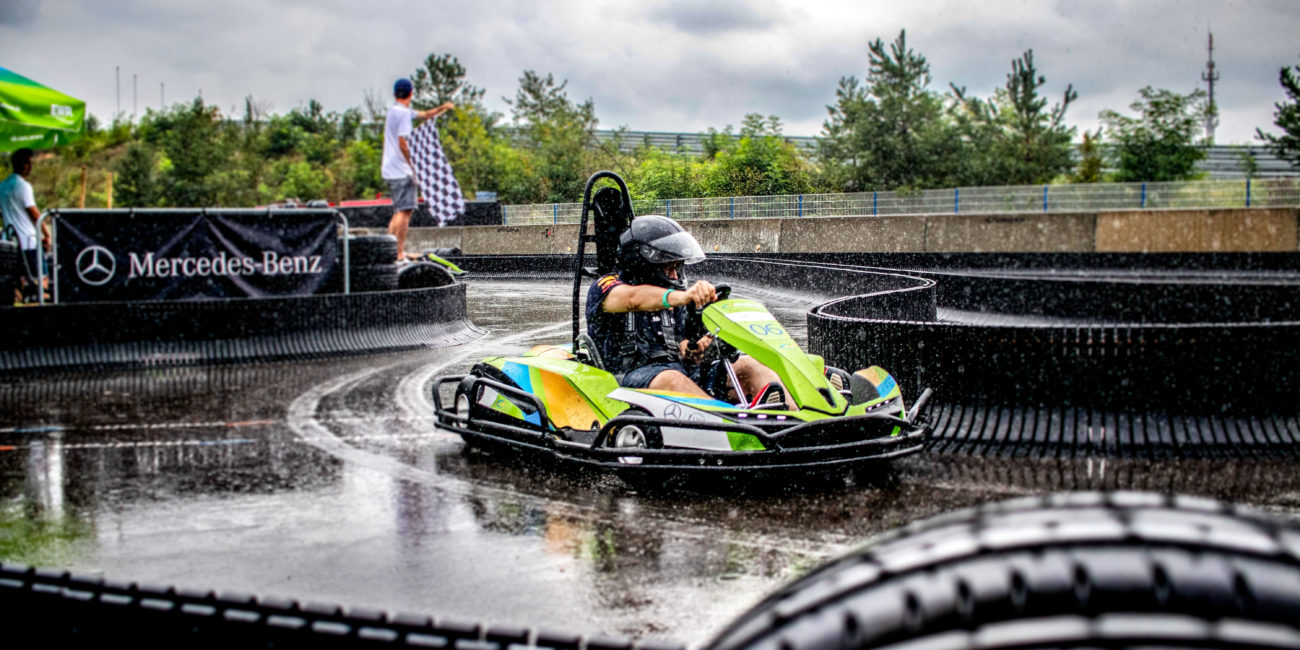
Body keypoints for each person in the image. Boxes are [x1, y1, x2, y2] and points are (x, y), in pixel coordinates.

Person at [585, 215, 791, 406]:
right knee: (671, 379)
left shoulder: (673, 297)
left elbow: (682, 345)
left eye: (677, 267)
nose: (674, 275)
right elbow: (633, 299)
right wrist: (683, 297)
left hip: (679, 372)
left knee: (749, 365)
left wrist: (697, 348)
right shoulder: (605, 287)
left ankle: (796, 420)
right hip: (625, 379)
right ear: (644, 263)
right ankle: (729, 427)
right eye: (668, 268)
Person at [382, 78, 454, 262]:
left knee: (399, 210)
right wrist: (414, 166)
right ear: (411, 94)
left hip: (390, 169)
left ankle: (388, 251)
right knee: (405, 211)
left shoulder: (394, 111)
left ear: (395, 94)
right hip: (402, 170)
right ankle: (398, 254)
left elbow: (425, 114)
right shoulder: (404, 115)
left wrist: (442, 108)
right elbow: (403, 142)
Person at [1, 148, 49, 302]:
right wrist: (46, 233)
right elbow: (34, 213)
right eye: (28, 163)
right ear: (22, 164)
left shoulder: (2, 186)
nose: (31, 167)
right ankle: (43, 304)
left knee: (17, 281)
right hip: (29, 240)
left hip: (11, 242)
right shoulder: (23, 186)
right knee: (42, 278)